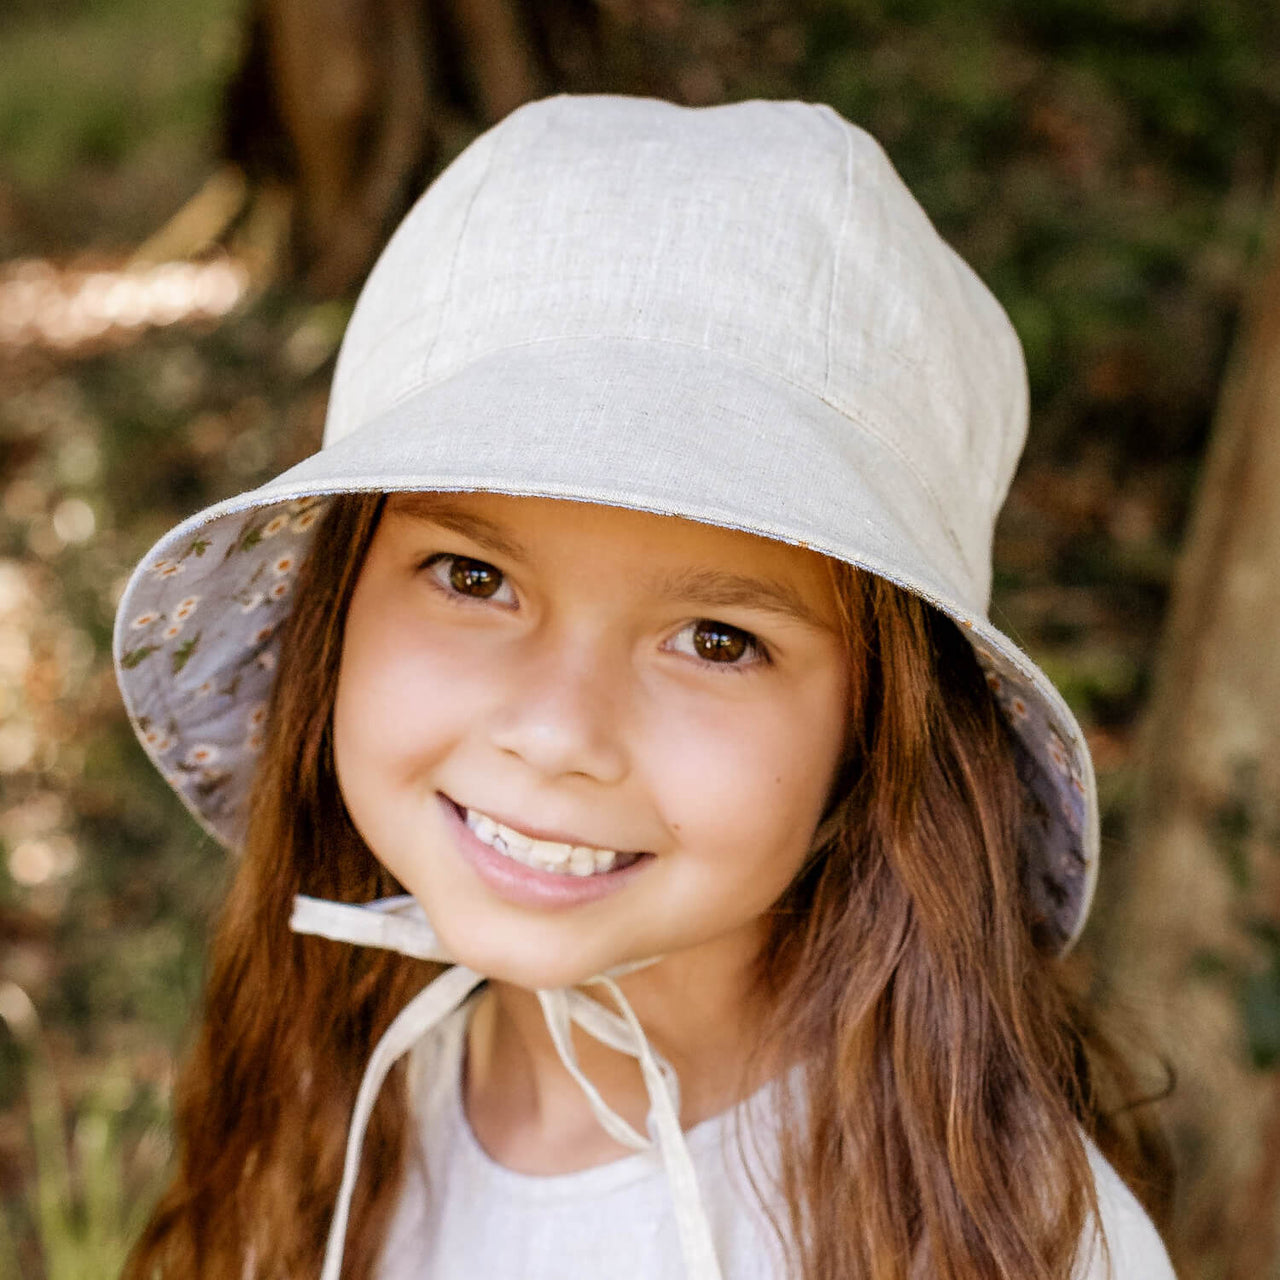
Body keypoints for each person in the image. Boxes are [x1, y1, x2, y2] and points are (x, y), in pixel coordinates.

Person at [114, 95, 1177, 1279]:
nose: (559, 730)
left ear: (878, 729)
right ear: (336, 606)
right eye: (472, 575)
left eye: (716, 639)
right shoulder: (328, 1120)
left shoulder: (992, 1236)